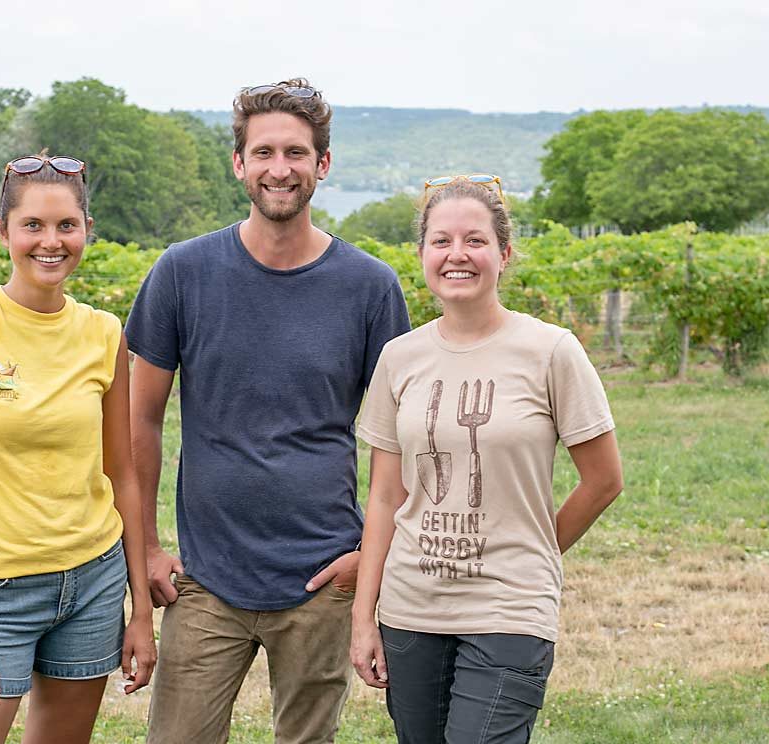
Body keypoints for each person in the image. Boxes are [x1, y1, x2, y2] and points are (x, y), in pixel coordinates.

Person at [126, 79, 412, 744]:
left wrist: (370, 554)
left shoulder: (370, 287)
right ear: (239, 164)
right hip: (203, 580)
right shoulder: (183, 273)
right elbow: (138, 421)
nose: (278, 168)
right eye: (263, 153)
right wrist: (144, 547)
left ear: (322, 164)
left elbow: (404, 436)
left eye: (294, 152)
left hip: (323, 579)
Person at [350, 175, 624, 744]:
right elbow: (384, 495)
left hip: (510, 607)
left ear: (503, 253)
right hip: (411, 609)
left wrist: (535, 550)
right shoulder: (399, 359)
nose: (457, 255)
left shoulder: (550, 351)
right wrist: (363, 617)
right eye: (441, 241)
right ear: (422, 254)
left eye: (474, 241)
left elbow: (603, 481)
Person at [0, 154, 156, 744]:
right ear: (3, 231)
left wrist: (141, 612)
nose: (51, 242)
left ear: (87, 230)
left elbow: (123, 475)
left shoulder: (103, 333)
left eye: (67, 226)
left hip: (91, 585)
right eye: (33, 226)